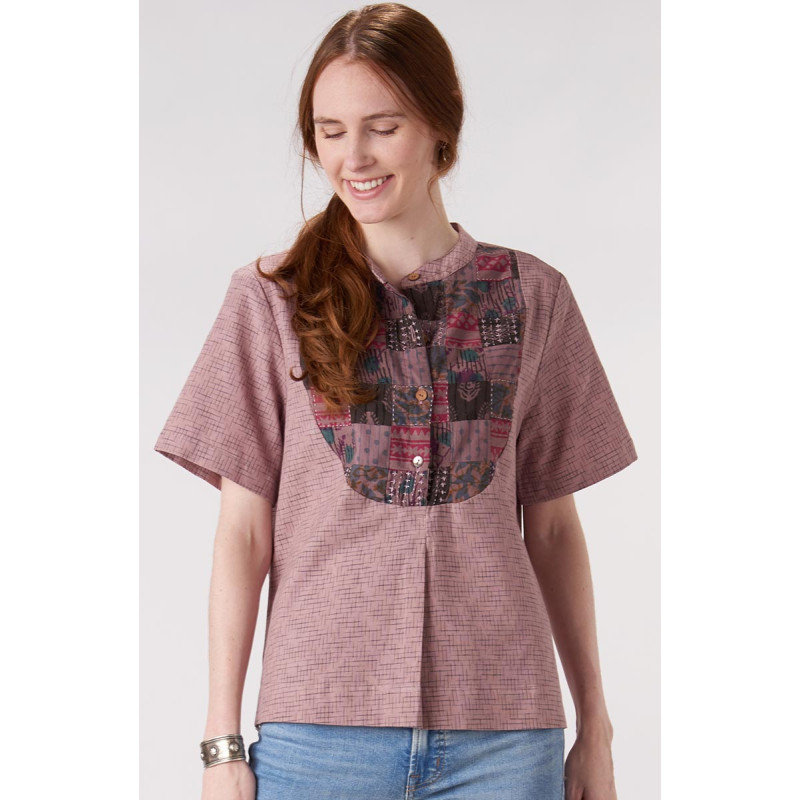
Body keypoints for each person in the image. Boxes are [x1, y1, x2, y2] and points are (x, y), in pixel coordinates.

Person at [153, 3, 638, 799]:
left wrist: (597, 729)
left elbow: (553, 528)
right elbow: (242, 534)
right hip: (318, 737)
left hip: (505, 735)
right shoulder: (271, 300)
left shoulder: (534, 297)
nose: (354, 157)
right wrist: (220, 743)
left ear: (441, 128)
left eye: (382, 127)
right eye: (330, 131)